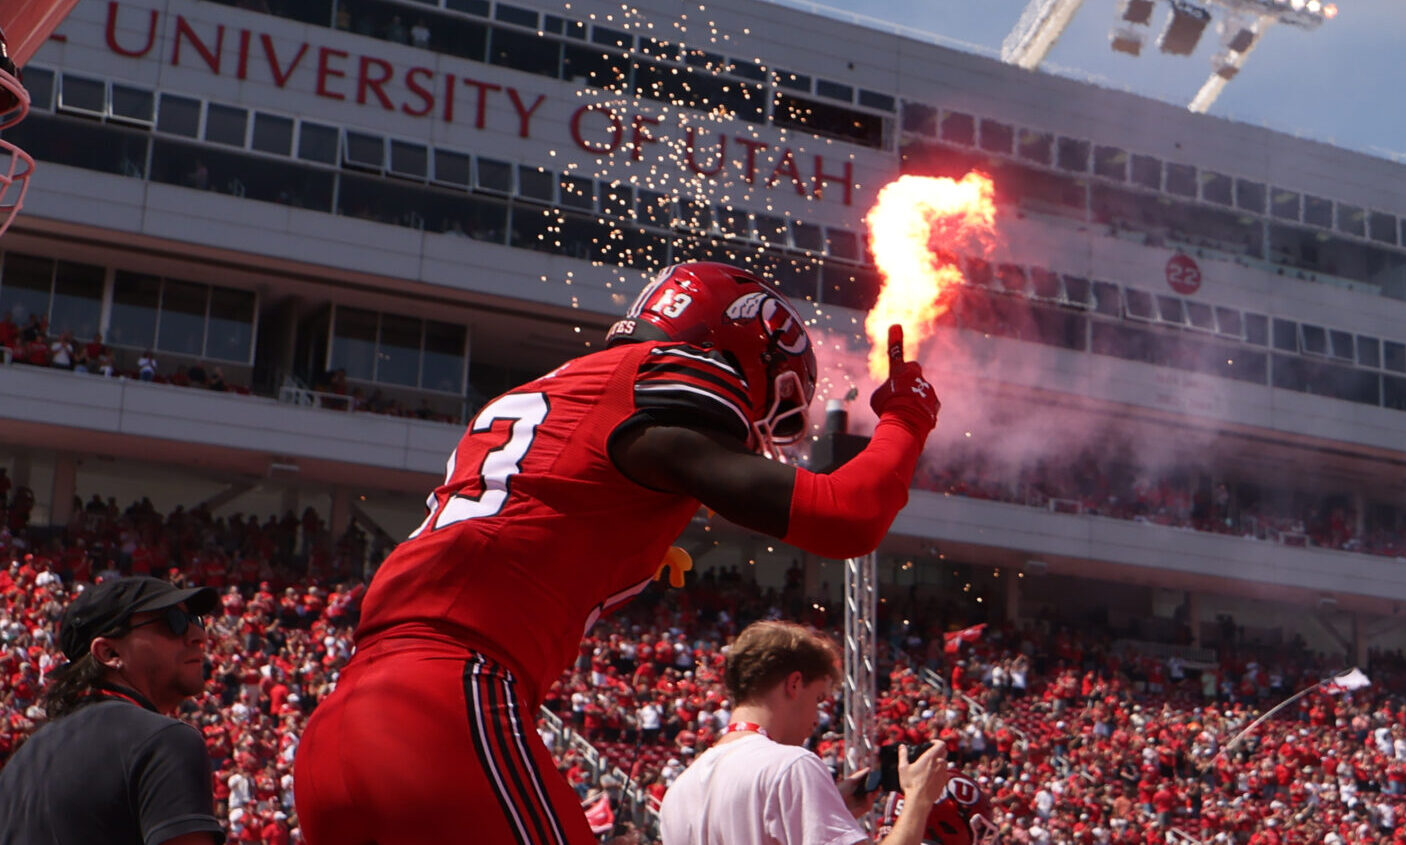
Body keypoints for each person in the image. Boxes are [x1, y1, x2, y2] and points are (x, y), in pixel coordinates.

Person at [293, 261, 943, 845]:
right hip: (444, 704)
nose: (757, 428)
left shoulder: (558, 391)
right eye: (769, 400)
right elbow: (847, 517)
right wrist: (905, 420)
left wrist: (631, 541)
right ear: (733, 346)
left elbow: (542, 500)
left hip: (342, 720)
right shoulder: (661, 376)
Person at [658, 620, 951, 845]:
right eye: (818, 699)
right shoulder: (791, 765)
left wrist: (831, 809)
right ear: (794, 684)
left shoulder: (679, 789)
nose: (817, 717)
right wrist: (918, 797)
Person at [0, 576, 224, 845]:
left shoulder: (19, 763)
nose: (199, 636)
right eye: (174, 622)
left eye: (196, 621)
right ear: (109, 652)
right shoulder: (163, 740)